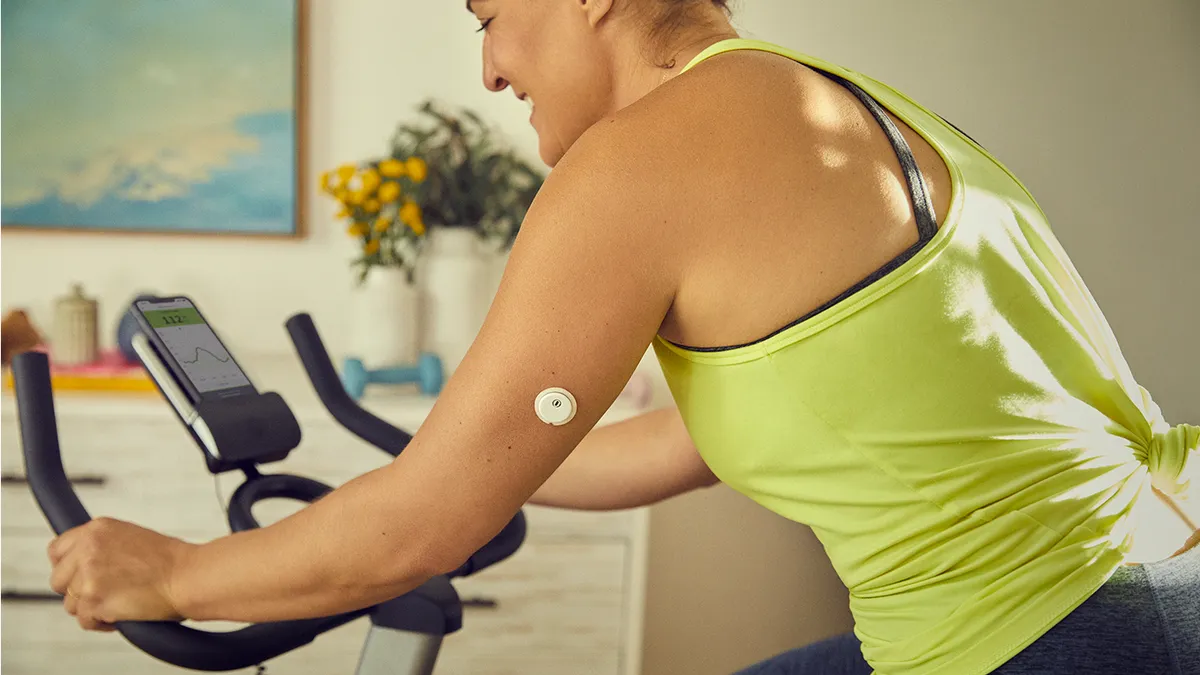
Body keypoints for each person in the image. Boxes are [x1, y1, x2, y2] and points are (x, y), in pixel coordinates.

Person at [45, 1, 1198, 674]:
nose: (488, 67)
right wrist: (441, 472)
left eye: (491, 16)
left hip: (1063, 630)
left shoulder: (644, 158)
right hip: (1154, 578)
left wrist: (178, 573)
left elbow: (425, 533)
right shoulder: (834, 99)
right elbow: (673, 450)